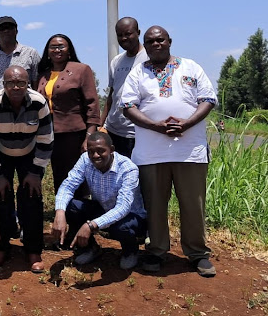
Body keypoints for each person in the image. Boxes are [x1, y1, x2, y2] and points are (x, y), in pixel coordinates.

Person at [121, 26, 217, 277]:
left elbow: (208, 99)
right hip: (151, 153)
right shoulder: (137, 72)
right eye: (150, 41)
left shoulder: (191, 67)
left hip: (190, 151)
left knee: (193, 205)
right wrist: (156, 126)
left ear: (169, 41)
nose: (155, 44)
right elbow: (127, 105)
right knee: (155, 206)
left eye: (159, 39)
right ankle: (156, 251)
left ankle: (197, 253)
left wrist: (186, 123)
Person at [0, 66, 53, 271]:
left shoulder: (39, 102)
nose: (16, 87)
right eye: (11, 83)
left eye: (21, 82)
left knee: (32, 197)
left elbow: (46, 139)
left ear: (28, 84)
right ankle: (2, 248)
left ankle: (33, 250)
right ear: (4, 85)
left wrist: (36, 172)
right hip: (2, 152)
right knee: (2, 197)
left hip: (29, 153)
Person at [52, 131, 147, 270]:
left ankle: (130, 251)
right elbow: (68, 185)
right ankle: (91, 249)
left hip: (131, 217)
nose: (95, 156)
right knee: (71, 206)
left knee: (120, 227)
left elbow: (123, 207)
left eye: (101, 151)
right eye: (91, 152)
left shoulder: (127, 168)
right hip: (103, 208)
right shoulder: (85, 160)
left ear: (112, 150)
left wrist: (91, 225)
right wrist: (59, 212)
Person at [37, 34, 101, 194]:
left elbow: (92, 103)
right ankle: (63, 209)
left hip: (75, 134)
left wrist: (89, 135)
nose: (57, 49)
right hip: (51, 134)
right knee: (59, 174)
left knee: (77, 174)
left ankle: (80, 211)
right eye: (53, 47)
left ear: (69, 50)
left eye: (61, 46)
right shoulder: (43, 74)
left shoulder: (81, 70)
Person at [99, 17, 147, 158]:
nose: (124, 38)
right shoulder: (116, 61)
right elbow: (112, 96)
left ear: (138, 32)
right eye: (120, 35)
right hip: (114, 131)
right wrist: (100, 125)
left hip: (139, 132)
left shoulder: (149, 59)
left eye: (128, 33)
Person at [0, 16, 41, 93]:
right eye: (2, 29)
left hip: (25, 103)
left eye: (9, 28)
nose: (6, 31)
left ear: (16, 31)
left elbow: (37, 83)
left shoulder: (31, 53)